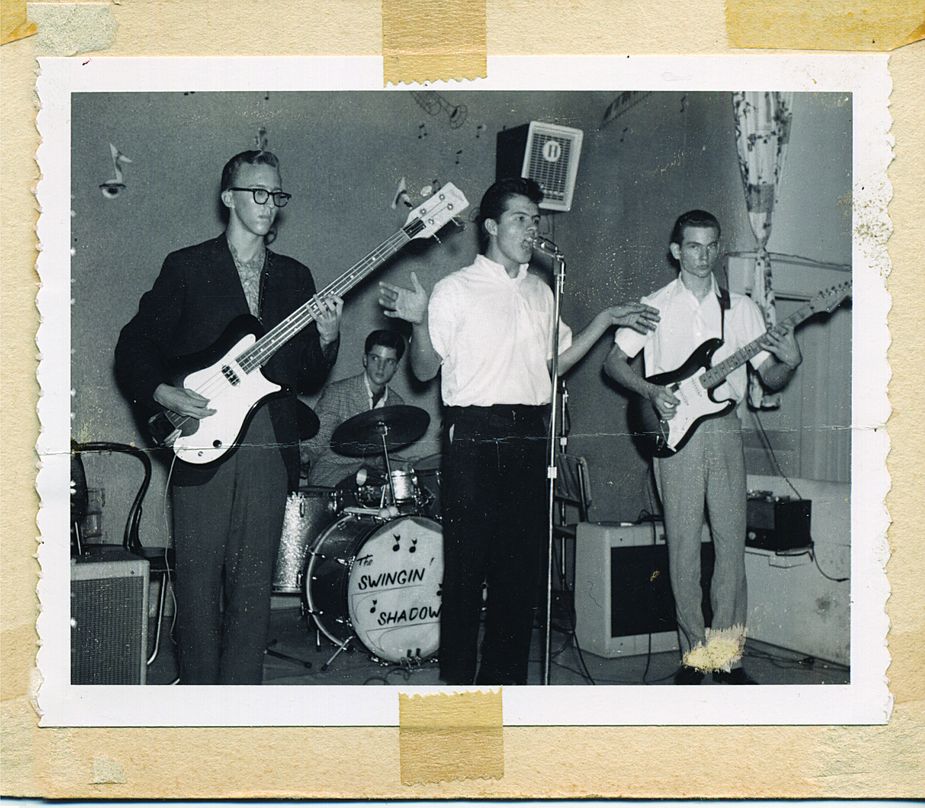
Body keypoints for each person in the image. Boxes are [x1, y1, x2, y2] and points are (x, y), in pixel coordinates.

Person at [378, 177, 660, 685]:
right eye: (521, 218)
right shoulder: (455, 290)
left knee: (519, 575)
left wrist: (602, 320)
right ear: (490, 226)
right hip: (475, 436)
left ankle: (504, 690)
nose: (533, 228)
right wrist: (418, 323)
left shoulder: (541, 291)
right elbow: (423, 371)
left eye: (536, 219)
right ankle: (458, 690)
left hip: (531, 432)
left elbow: (554, 365)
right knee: (467, 572)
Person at [115, 150, 343, 684]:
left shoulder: (295, 276)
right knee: (196, 585)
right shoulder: (187, 267)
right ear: (229, 198)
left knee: (251, 588)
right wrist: (161, 393)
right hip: (201, 440)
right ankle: (199, 707)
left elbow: (305, 374)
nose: (269, 205)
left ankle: (241, 709)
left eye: (277, 195)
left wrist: (328, 339)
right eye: (257, 193)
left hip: (269, 444)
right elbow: (134, 344)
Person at [603, 209, 802, 685]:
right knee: (684, 551)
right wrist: (652, 392)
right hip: (675, 434)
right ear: (676, 250)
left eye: (711, 245)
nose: (703, 254)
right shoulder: (654, 305)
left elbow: (769, 375)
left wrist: (791, 362)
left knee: (732, 549)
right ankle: (694, 655)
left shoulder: (743, 308)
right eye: (694, 245)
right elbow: (613, 364)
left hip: (726, 432)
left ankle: (728, 658)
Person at [301, 328, 408, 488]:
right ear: (365, 359)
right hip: (333, 474)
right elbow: (318, 439)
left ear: (396, 367)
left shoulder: (397, 404)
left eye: (389, 361)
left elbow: (387, 455)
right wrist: (305, 456)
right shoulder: (338, 391)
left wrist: (408, 466)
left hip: (372, 479)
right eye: (375, 358)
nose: (381, 367)